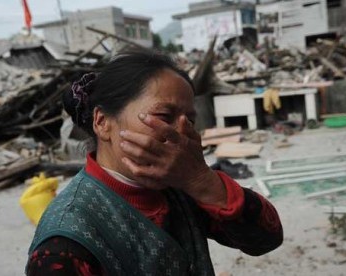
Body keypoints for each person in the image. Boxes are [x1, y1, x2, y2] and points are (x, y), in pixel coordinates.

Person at [26, 50, 283, 275]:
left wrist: (202, 180)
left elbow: (265, 239)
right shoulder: (64, 244)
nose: (181, 132)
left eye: (190, 121)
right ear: (102, 122)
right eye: (164, 116)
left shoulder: (180, 186)